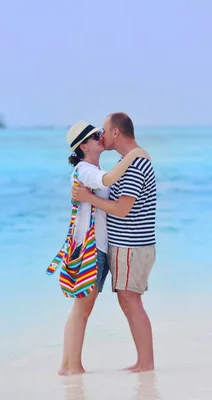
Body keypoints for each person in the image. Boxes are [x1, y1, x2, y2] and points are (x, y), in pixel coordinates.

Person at [56, 120, 150, 376]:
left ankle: (68, 366)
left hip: (98, 248)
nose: (101, 136)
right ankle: (72, 366)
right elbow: (108, 179)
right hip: (90, 249)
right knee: (82, 308)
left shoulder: (92, 170)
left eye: (101, 132)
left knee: (82, 308)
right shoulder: (85, 169)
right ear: (84, 145)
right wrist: (134, 154)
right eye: (95, 135)